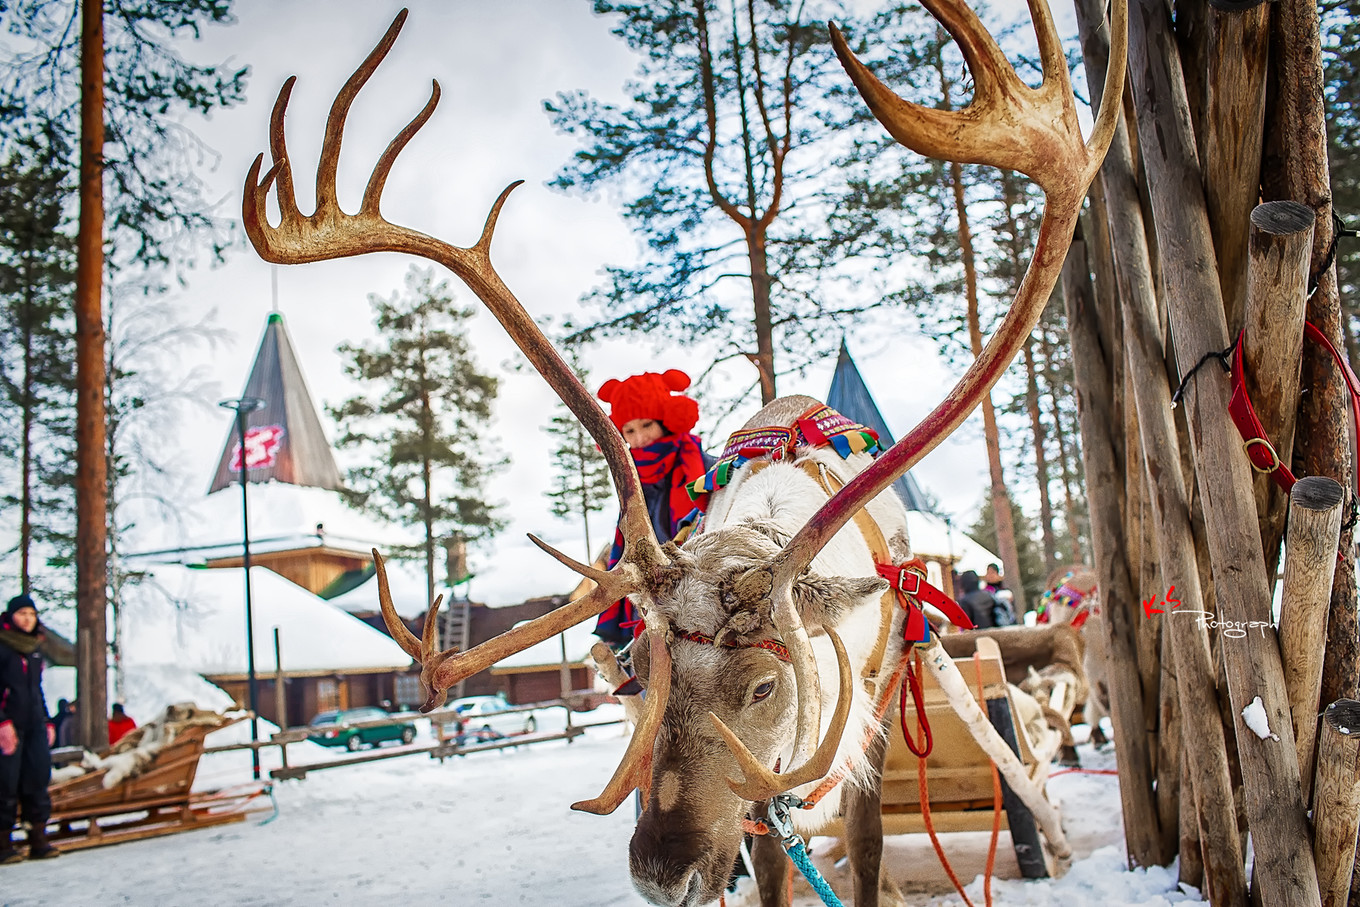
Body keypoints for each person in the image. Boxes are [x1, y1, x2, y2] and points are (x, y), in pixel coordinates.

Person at [592, 370, 712, 647]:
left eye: (646, 425)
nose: (640, 438)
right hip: (649, 593)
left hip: (699, 582)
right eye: (630, 431)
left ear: (667, 421)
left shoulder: (706, 469)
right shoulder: (629, 479)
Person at [0, 594, 59, 862]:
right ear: (11, 616)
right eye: (22, 613)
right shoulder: (3, 647)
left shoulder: (34, 649)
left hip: (34, 722)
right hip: (8, 724)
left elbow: (37, 689)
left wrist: (46, 720)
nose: (27, 619)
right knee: (6, 782)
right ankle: (3, 843)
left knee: (37, 777)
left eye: (31, 614)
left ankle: (38, 838)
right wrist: (2, 722)